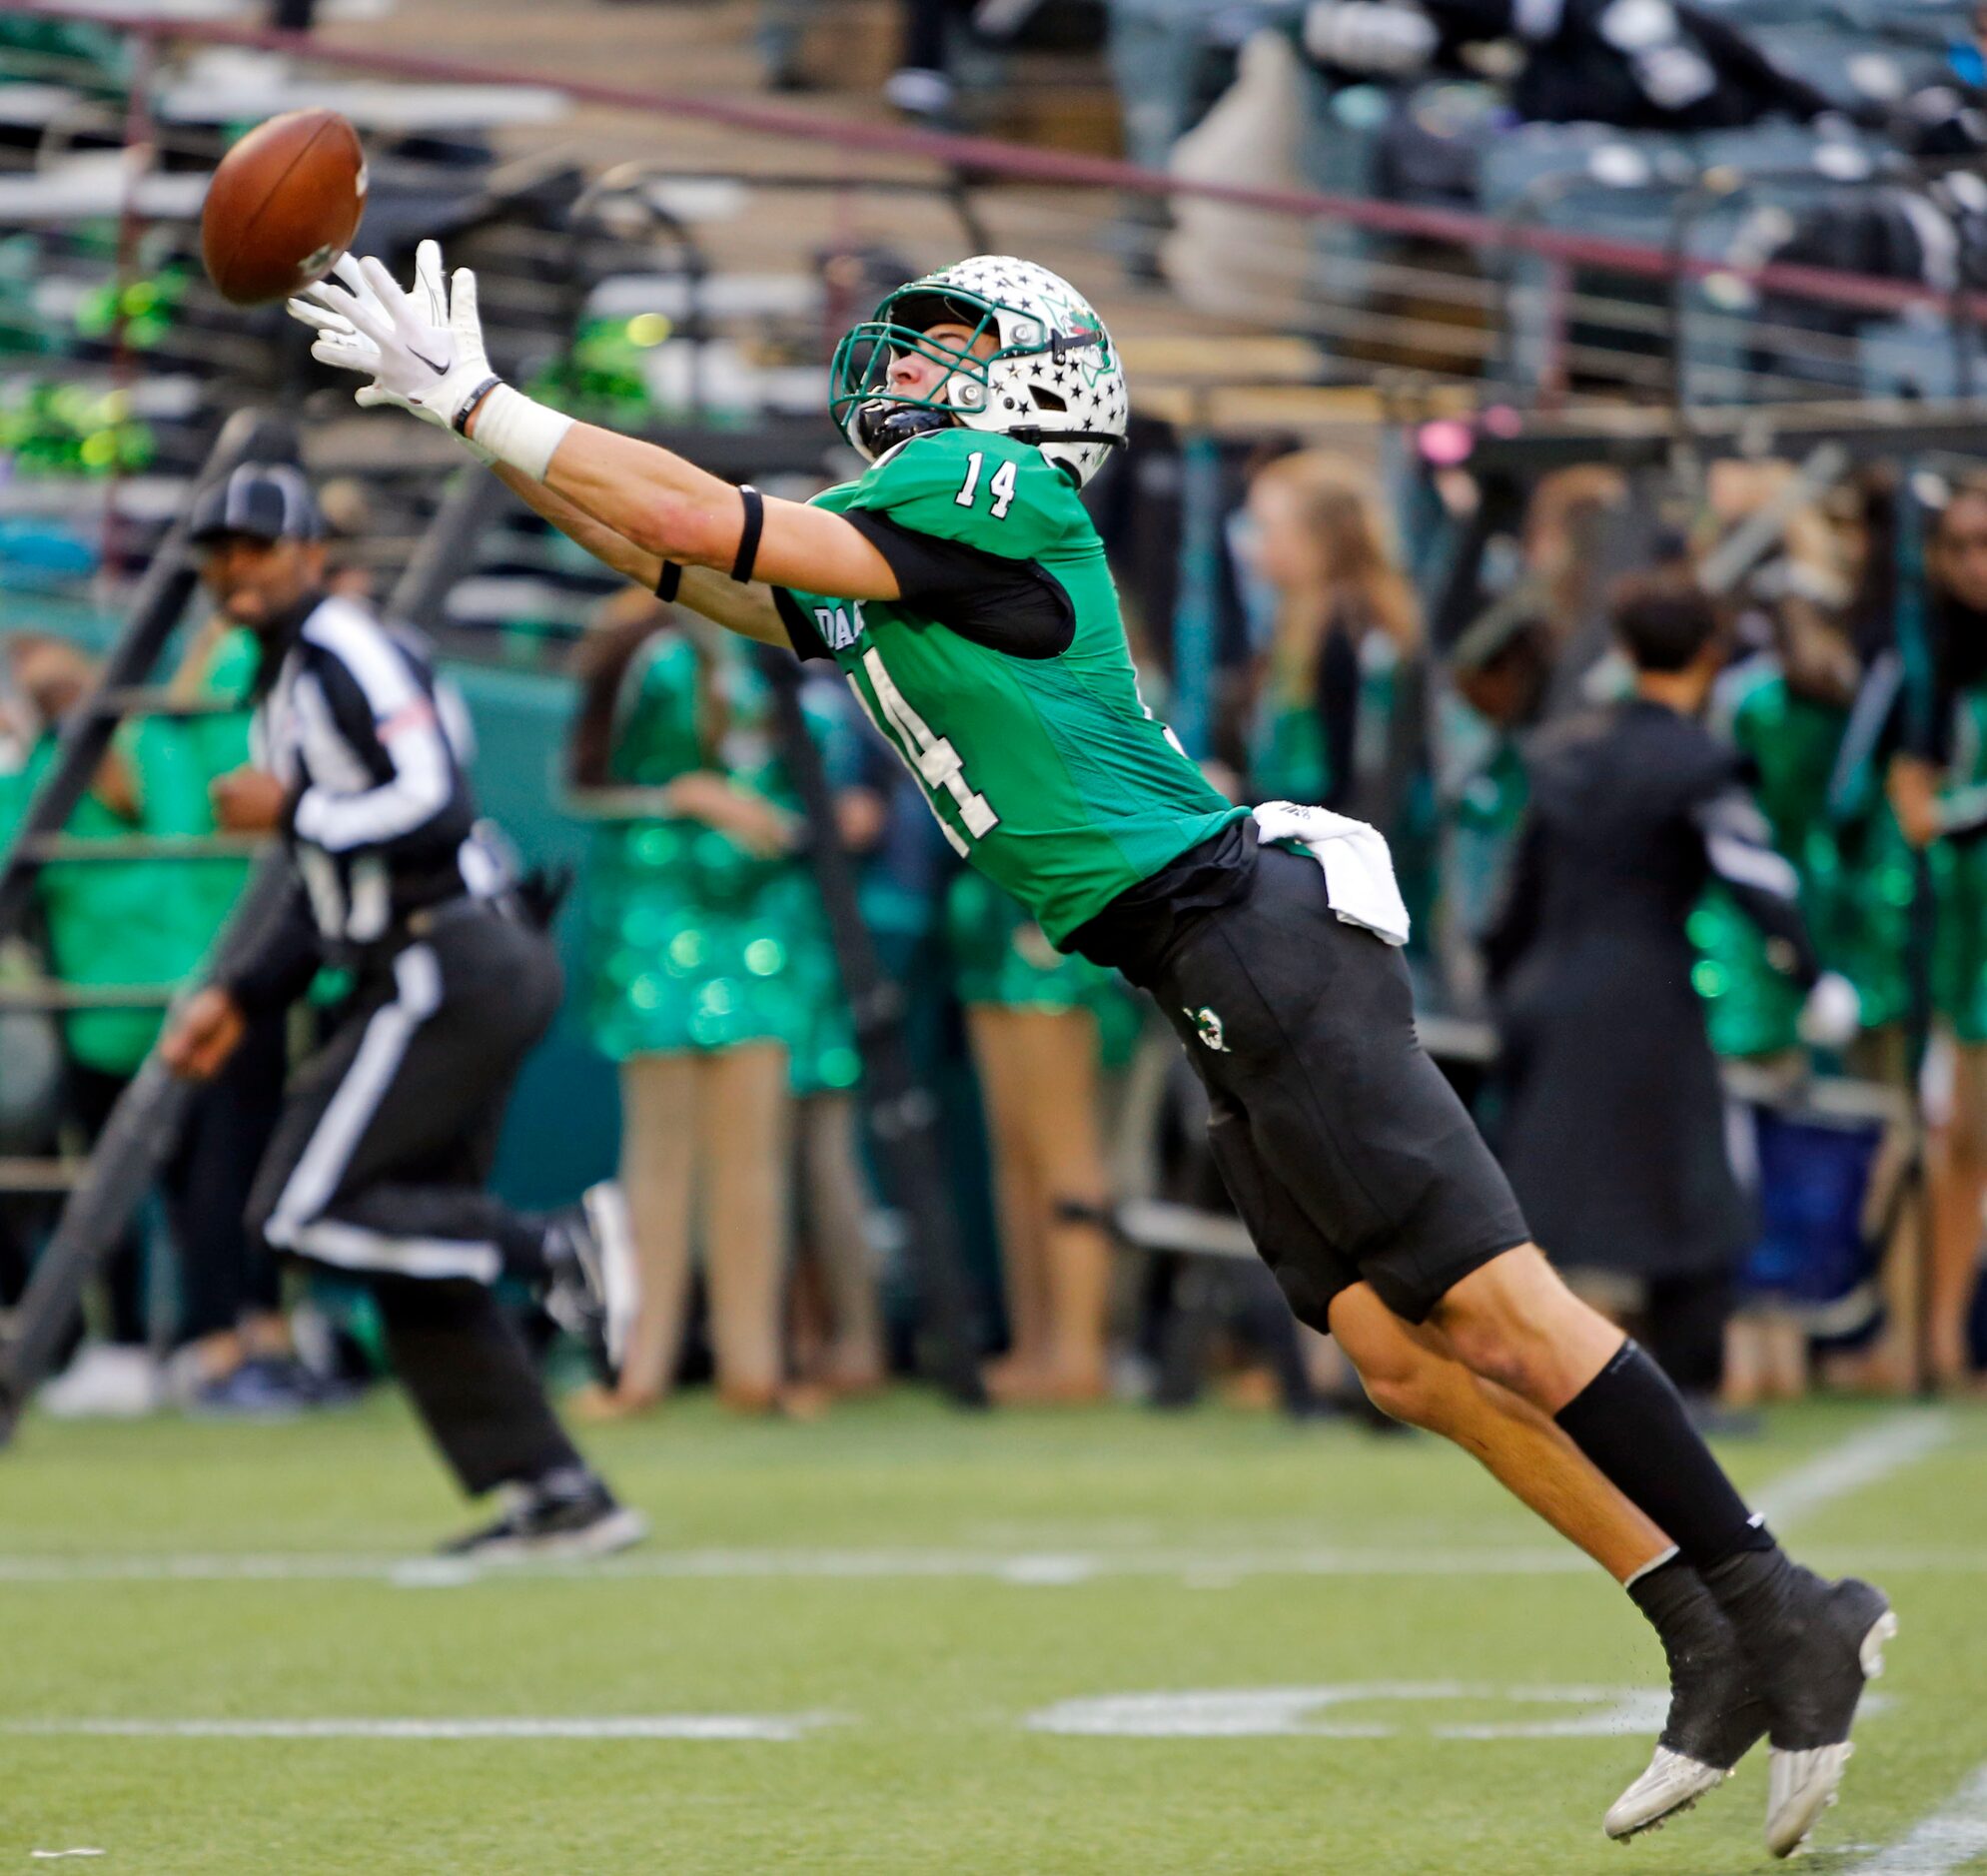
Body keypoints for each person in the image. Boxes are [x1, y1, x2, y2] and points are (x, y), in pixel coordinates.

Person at [294, 241, 1894, 1854]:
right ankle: (1705, 1632)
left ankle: (1780, 1601)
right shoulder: (909, 552)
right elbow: (684, 565)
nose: (908, 376)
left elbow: (705, 516)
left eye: (947, 349)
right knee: (1400, 1354)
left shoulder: (990, 486)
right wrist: (470, 432)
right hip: (1197, 962)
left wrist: (490, 399)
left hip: (1248, 940)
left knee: (1495, 1304)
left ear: (1030, 379)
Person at [158, 463, 641, 1560]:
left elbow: (434, 802)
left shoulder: (346, 645)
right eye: (217, 551)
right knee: (396, 1233)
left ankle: (557, 1245)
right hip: (431, 959)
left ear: (309, 554)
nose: (235, 570)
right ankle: (556, 1489)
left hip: (447, 960)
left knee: (299, 1210)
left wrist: (300, 807)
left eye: (256, 547)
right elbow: (316, 879)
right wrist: (241, 993)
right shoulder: (287, 673)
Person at [1485, 569, 1854, 1411]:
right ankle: (1690, 1385)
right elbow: (1753, 873)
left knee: (1528, 1204)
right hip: (1649, 997)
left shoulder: (1561, 751)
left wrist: (1506, 989)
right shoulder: (1701, 760)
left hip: (1551, 992)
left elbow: (1516, 895)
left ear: (1622, 648)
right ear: (1710, 653)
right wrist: (1811, 973)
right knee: (1692, 1198)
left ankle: (1504, 1382)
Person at [566, 592, 817, 1416]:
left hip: (757, 917)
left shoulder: (783, 646)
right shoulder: (636, 643)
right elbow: (580, 782)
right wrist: (683, 796)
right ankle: (639, 1368)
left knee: (752, 1163)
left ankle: (756, 1367)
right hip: (654, 919)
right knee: (658, 1158)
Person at [1871, 480, 1987, 1390]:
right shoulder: (1928, 670)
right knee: (1956, 1140)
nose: (1974, 565)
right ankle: (1936, 1336)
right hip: (1963, 929)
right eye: (1958, 547)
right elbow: (1912, 808)